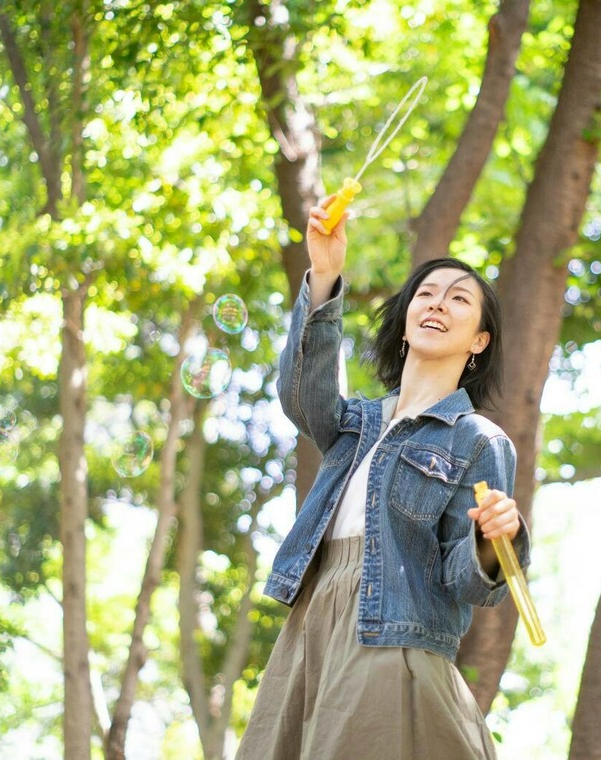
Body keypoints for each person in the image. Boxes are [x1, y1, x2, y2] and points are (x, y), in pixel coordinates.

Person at [235, 197, 530, 760]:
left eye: (459, 299)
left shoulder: (478, 441)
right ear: (405, 322)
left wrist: (495, 541)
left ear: (479, 340)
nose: (438, 303)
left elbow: (469, 583)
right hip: (311, 618)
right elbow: (301, 393)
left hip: (394, 629)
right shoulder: (355, 422)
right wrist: (324, 273)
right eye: (426, 293)